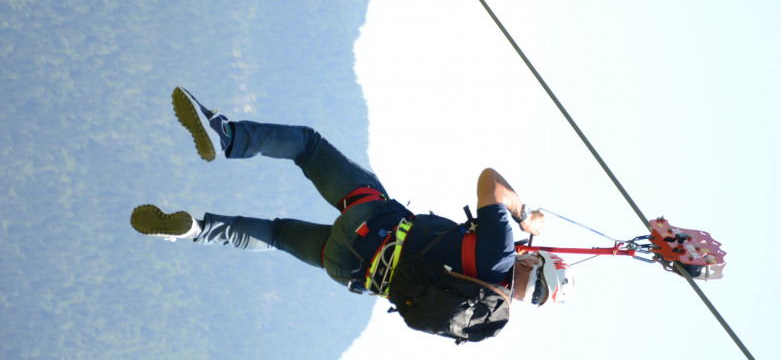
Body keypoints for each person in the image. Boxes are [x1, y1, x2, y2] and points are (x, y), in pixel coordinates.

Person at [131, 87, 575, 307]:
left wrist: (524, 216)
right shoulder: (481, 306)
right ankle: (195, 229)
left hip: (374, 221)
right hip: (353, 270)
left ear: (536, 263)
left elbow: (490, 182)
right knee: (278, 235)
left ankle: (226, 135)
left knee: (309, 147)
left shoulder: (499, 256)